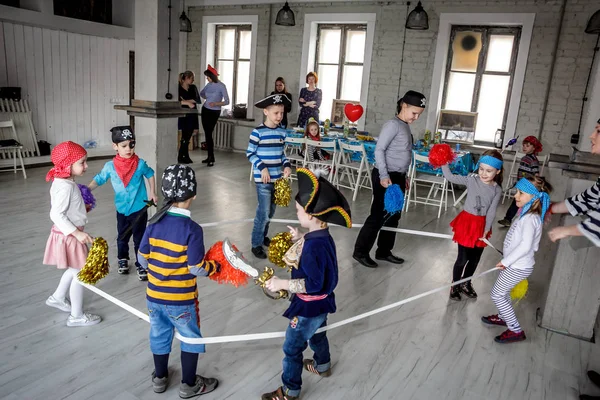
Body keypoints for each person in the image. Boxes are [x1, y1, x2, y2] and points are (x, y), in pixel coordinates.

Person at [261, 167, 352, 400]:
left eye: (299, 211)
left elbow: (311, 284)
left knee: (292, 348)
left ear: (311, 216)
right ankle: (323, 365)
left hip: (307, 307)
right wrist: (301, 236)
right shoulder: (322, 237)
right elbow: (319, 258)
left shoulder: (313, 248)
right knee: (318, 334)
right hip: (323, 305)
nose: (298, 215)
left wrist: (282, 283)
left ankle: (290, 390)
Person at [138, 164, 220, 397]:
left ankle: (160, 378)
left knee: (159, 334)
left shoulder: (153, 223)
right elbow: (196, 268)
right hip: (181, 300)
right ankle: (189, 384)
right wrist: (215, 267)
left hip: (154, 296)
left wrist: (159, 271)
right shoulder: (192, 229)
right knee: (189, 337)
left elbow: (142, 259)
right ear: (193, 194)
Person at [353, 90, 426, 269]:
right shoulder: (392, 125)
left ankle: (384, 251)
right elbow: (379, 150)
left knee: (394, 216)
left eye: (419, 114)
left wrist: (404, 176)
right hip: (386, 176)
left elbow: (403, 153)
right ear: (404, 106)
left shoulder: (405, 125)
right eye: (414, 113)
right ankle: (360, 252)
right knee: (379, 215)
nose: (416, 117)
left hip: (398, 177)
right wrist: (385, 176)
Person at [481, 176, 552, 343]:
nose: (515, 196)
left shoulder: (529, 219)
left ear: (534, 197)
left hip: (517, 266)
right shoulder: (527, 214)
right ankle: (503, 316)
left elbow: (526, 246)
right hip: (515, 264)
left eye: (521, 193)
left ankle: (515, 330)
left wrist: (506, 262)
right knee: (502, 292)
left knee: (497, 294)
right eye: (516, 192)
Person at [43, 141, 102, 327]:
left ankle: (58, 297)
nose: (86, 166)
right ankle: (76, 315)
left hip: (66, 234)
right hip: (69, 236)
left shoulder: (63, 181)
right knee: (81, 273)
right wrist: (76, 233)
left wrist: (81, 210)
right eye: (82, 162)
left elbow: (65, 209)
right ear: (67, 165)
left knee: (75, 269)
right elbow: (55, 214)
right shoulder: (66, 186)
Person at [88, 126, 157, 280]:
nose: (128, 149)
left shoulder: (140, 164)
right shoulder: (110, 167)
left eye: (131, 145)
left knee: (139, 238)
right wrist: (86, 190)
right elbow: (99, 179)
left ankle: (141, 264)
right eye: (124, 146)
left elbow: (150, 174)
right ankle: (122, 259)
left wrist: (152, 192)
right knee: (122, 237)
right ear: (115, 146)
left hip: (139, 209)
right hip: (122, 209)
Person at [441, 150, 503, 300]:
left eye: (489, 171)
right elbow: (449, 177)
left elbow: (491, 212)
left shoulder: (497, 189)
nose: (484, 173)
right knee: (462, 259)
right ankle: (455, 285)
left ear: (497, 171)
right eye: (481, 169)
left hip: (482, 226)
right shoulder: (471, 179)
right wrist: (443, 160)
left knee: (474, 260)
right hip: (467, 224)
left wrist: (486, 229)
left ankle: (466, 283)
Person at [247, 93, 292, 259]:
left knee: (271, 212)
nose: (279, 116)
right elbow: (250, 153)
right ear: (266, 112)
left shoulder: (282, 132)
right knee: (263, 212)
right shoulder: (257, 132)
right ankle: (256, 244)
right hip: (263, 180)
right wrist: (262, 168)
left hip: (277, 180)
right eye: (276, 113)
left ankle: (263, 236)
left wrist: (286, 166)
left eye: (282, 113)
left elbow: (282, 155)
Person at [498, 135, 543, 227]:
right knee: (516, 202)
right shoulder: (524, 158)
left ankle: (522, 222)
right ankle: (508, 219)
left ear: (534, 148)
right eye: (524, 145)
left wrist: (535, 186)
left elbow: (536, 174)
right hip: (522, 185)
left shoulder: (533, 160)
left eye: (528, 146)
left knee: (523, 204)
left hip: (528, 187)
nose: (524, 147)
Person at [199, 65, 230, 167]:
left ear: (212, 76)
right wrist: (207, 99)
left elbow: (227, 101)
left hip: (214, 111)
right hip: (205, 110)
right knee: (207, 133)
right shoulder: (209, 85)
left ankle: (211, 156)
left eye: (207, 77)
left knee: (208, 133)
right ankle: (210, 157)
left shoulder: (222, 86)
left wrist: (216, 103)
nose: (207, 79)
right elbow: (202, 93)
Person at [178, 70, 201, 164]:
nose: (193, 80)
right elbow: (177, 101)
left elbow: (197, 100)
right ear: (186, 78)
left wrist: (185, 101)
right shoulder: (178, 88)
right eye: (192, 78)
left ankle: (183, 155)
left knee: (188, 135)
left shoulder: (193, 87)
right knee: (185, 135)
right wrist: (188, 102)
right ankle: (182, 156)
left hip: (192, 114)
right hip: (183, 114)